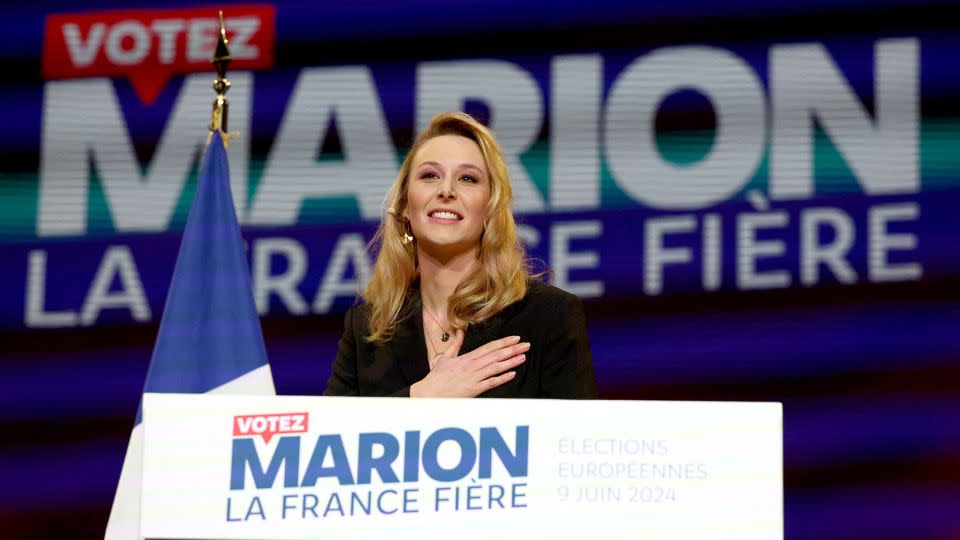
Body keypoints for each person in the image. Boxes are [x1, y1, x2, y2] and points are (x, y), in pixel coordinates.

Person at [323, 112, 597, 399]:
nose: (446, 190)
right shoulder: (366, 328)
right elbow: (327, 437)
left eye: (468, 178)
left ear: (490, 209)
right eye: (430, 175)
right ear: (405, 205)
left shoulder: (548, 316)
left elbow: (573, 438)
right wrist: (421, 397)